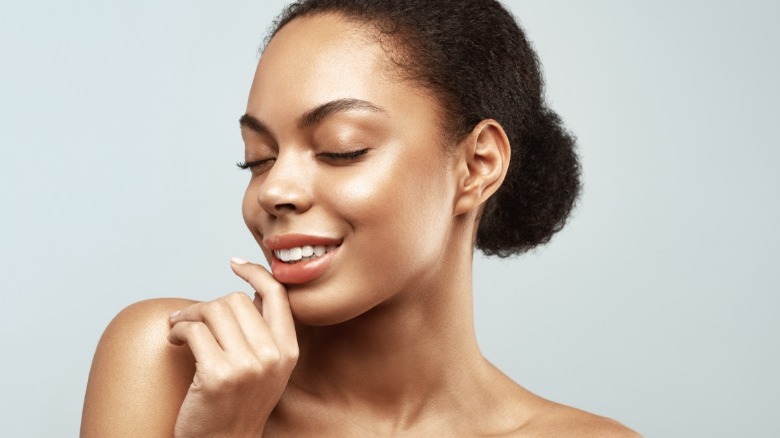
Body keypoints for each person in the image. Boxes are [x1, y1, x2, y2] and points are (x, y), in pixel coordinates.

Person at [81, 0, 640, 436]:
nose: (274, 189)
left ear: (476, 165)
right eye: (258, 158)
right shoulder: (173, 362)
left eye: (340, 149)